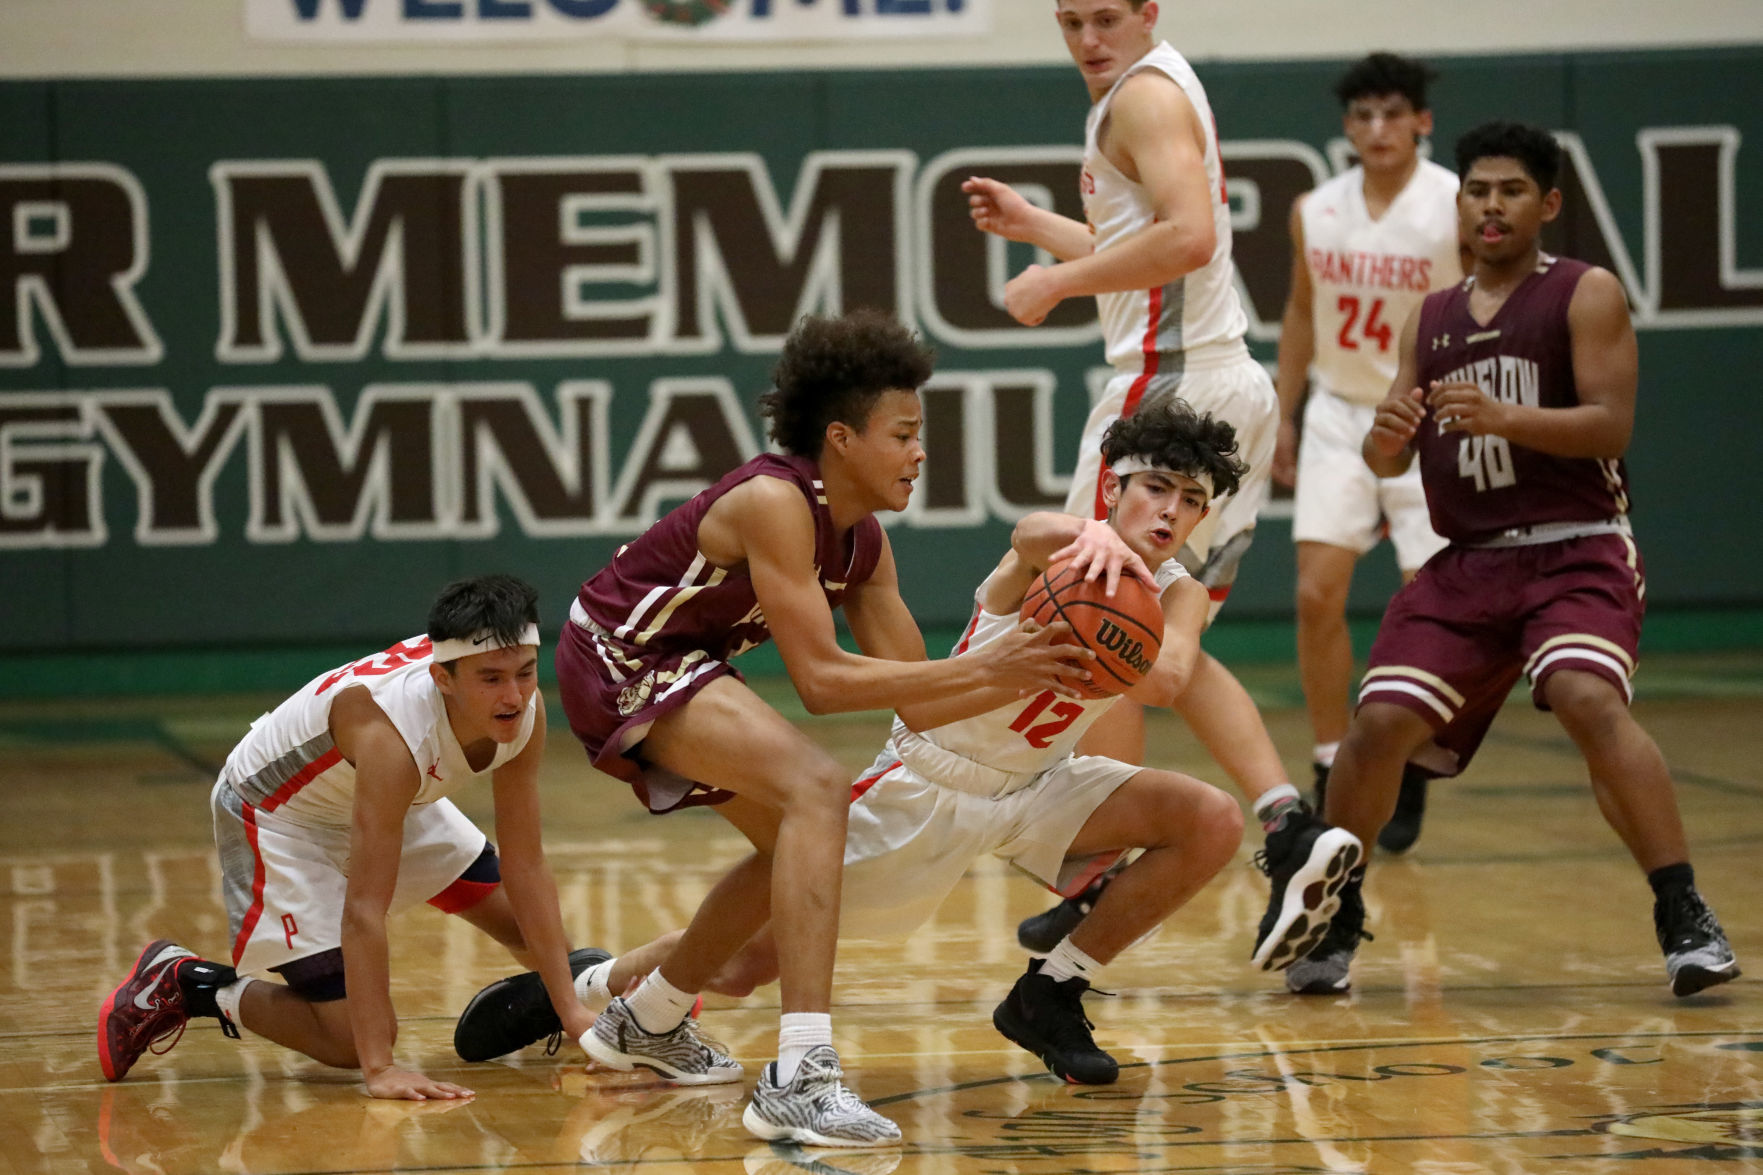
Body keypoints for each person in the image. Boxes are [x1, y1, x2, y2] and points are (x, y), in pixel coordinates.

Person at [461, 401, 1287, 1087]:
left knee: (1207, 818)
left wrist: (1142, 615)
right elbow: (1032, 532)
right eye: (1153, 488)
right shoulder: (1059, 548)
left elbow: (1168, 679)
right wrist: (1089, 540)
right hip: (929, 785)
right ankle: (592, 984)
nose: (1170, 511)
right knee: (748, 963)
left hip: (1037, 784)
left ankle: (1053, 991)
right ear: (1112, 487)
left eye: (1190, 499)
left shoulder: (1174, 593)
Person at [546, 309, 1086, 1148]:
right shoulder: (774, 499)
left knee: (794, 843)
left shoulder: (863, 542)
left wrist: (1038, 650)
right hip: (617, 652)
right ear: (840, 437)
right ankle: (799, 1074)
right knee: (817, 786)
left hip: (683, 661)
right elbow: (825, 683)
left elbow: (920, 701)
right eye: (903, 432)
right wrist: (996, 665)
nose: (919, 451)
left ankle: (643, 1019)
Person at [1278, 121, 1741, 998]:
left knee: (1583, 695)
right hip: (1470, 559)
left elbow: (1610, 424)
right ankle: (1339, 910)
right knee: (1372, 727)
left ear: (1547, 204)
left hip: (1576, 547)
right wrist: (1382, 443)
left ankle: (1682, 909)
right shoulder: (1433, 315)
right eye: (1476, 191)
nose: (1490, 206)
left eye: (1510, 192)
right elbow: (1390, 455)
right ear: (1458, 206)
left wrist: (1507, 418)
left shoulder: (1583, 293)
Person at [963, 0, 1354, 972]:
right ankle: (1286, 825)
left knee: (1099, 610)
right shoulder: (1155, 90)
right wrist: (1045, 230)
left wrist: (1053, 283)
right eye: (1068, 21)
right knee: (1162, 627)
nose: (1086, 38)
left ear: (1146, 13)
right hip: (1227, 383)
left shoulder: (1139, 97)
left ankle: (1096, 862)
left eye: (1104, 17)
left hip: (1166, 384)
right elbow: (1148, 247)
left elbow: (1184, 239)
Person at [98, 575, 604, 1099]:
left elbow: (527, 864)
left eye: (525, 673)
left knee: (542, 944)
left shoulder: (527, 712)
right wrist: (381, 1069)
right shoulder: (391, 739)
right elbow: (364, 908)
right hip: (278, 814)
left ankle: (589, 1012)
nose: (514, 695)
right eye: (492, 678)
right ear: (443, 679)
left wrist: (570, 1011)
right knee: (352, 1041)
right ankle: (187, 983)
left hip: (383, 793)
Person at [1272, 52, 1465, 853]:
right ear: (1347, 127)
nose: (1376, 130)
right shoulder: (1314, 209)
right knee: (1317, 592)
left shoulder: (1457, 202)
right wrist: (1283, 415)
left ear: (1421, 120)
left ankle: (1408, 757)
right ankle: (1328, 762)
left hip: (1430, 416)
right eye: (1361, 117)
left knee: (1430, 600)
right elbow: (1299, 312)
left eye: (1392, 114)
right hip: (1340, 411)